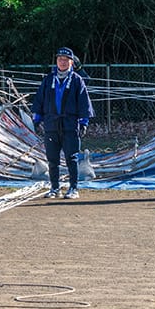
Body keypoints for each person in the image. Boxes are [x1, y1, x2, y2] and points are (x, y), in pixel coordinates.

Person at [32, 47, 93, 199]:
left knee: (71, 158)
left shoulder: (77, 80)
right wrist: (37, 118)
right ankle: (54, 188)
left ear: (71, 62)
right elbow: (39, 99)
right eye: (60, 59)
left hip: (70, 124)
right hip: (51, 123)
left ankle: (73, 188)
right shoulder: (48, 79)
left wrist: (84, 122)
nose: (62, 62)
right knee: (52, 159)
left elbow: (84, 102)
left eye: (66, 60)